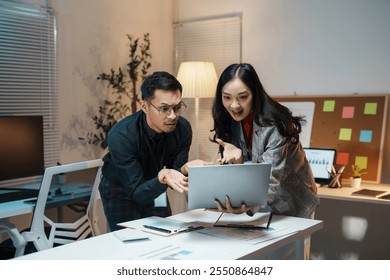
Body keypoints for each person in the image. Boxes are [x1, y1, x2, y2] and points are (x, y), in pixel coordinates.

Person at [207, 63, 320, 219]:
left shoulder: (275, 125)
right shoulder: (229, 120)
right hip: (259, 207)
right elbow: (240, 175)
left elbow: (271, 180)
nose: (234, 105)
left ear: (255, 94)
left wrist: (243, 205)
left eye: (243, 97)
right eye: (227, 97)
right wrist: (238, 161)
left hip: (293, 203)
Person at [99, 71, 192, 231]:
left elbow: (175, 173)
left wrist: (185, 170)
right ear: (144, 106)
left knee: (166, 233)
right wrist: (162, 178)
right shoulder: (122, 135)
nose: (172, 116)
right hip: (120, 188)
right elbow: (136, 192)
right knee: (129, 241)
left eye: (177, 107)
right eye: (164, 108)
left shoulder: (183, 129)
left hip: (156, 180)